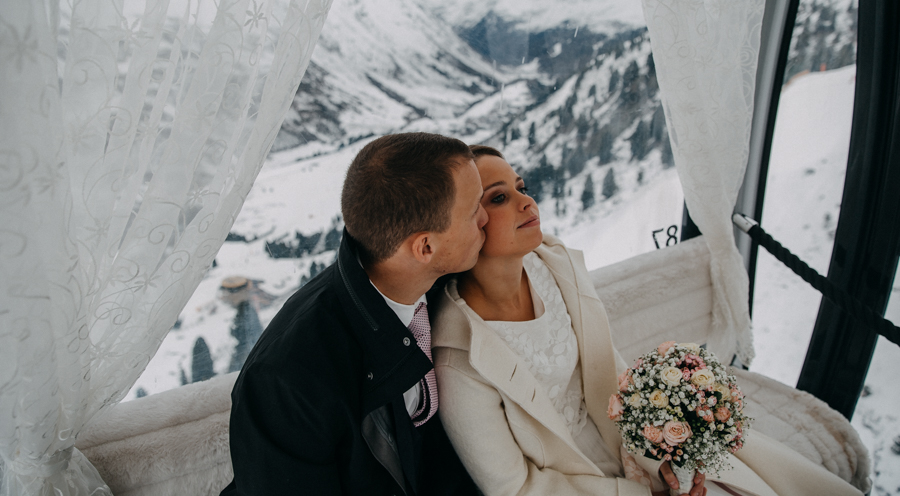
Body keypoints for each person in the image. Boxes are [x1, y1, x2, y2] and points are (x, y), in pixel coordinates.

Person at [431, 145, 863, 496]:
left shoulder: (553, 264)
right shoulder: (461, 357)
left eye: (521, 185)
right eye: (500, 197)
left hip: (629, 440)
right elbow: (516, 489)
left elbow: (608, 368)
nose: (528, 201)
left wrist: (666, 456)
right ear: (465, 224)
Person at [221, 132, 487, 495]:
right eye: (474, 212)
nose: (487, 218)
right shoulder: (286, 381)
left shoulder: (436, 284)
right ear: (425, 246)